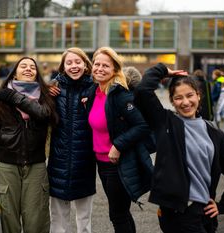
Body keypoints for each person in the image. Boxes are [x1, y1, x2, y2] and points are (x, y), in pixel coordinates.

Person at [134, 63, 224, 233]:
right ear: (172, 101)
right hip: (177, 213)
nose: (185, 102)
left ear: (198, 96)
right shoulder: (166, 123)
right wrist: (164, 71)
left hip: (205, 214)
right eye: (178, 97)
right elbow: (142, 90)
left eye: (190, 95)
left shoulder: (214, 132)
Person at [0, 57, 58, 233]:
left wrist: (15, 97)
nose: (28, 69)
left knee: (36, 218)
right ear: (14, 72)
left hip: (36, 166)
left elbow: (44, 115)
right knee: (8, 217)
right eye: (23, 66)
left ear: (37, 74)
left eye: (33, 67)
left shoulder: (45, 97)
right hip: (6, 166)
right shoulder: (0, 98)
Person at [85, 47, 153, 233]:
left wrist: (118, 145)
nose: (99, 68)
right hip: (101, 162)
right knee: (121, 213)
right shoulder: (93, 92)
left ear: (115, 70)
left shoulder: (120, 95)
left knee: (117, 214)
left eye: (105, 65)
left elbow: (143, 125)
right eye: (96, 64)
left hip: (117, 163)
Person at [46, 47, 96, 233]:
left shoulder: (95, 87)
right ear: (63, 66)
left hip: (85, 161)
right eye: (69, 62)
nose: (74, 66)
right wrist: (45, 93)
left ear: (85, 64)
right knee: (57, 217)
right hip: (58, 161)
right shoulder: (53, 88)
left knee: (84, 217)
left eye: (77, 62)